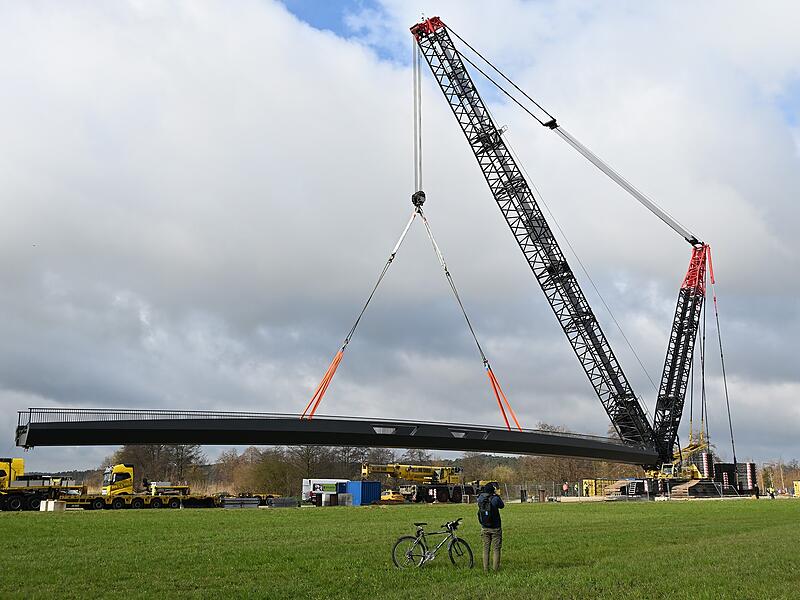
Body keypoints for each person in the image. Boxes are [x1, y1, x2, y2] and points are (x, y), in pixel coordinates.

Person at [476, 483, 504, 572]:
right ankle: (495, 569)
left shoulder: (480, 498)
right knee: (496, 549)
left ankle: (485, 569)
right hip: (495, 527)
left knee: (485, 549)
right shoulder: (495, 498)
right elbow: (502, 505)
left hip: (484, 527)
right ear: (493, 490)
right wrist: (497, 495)